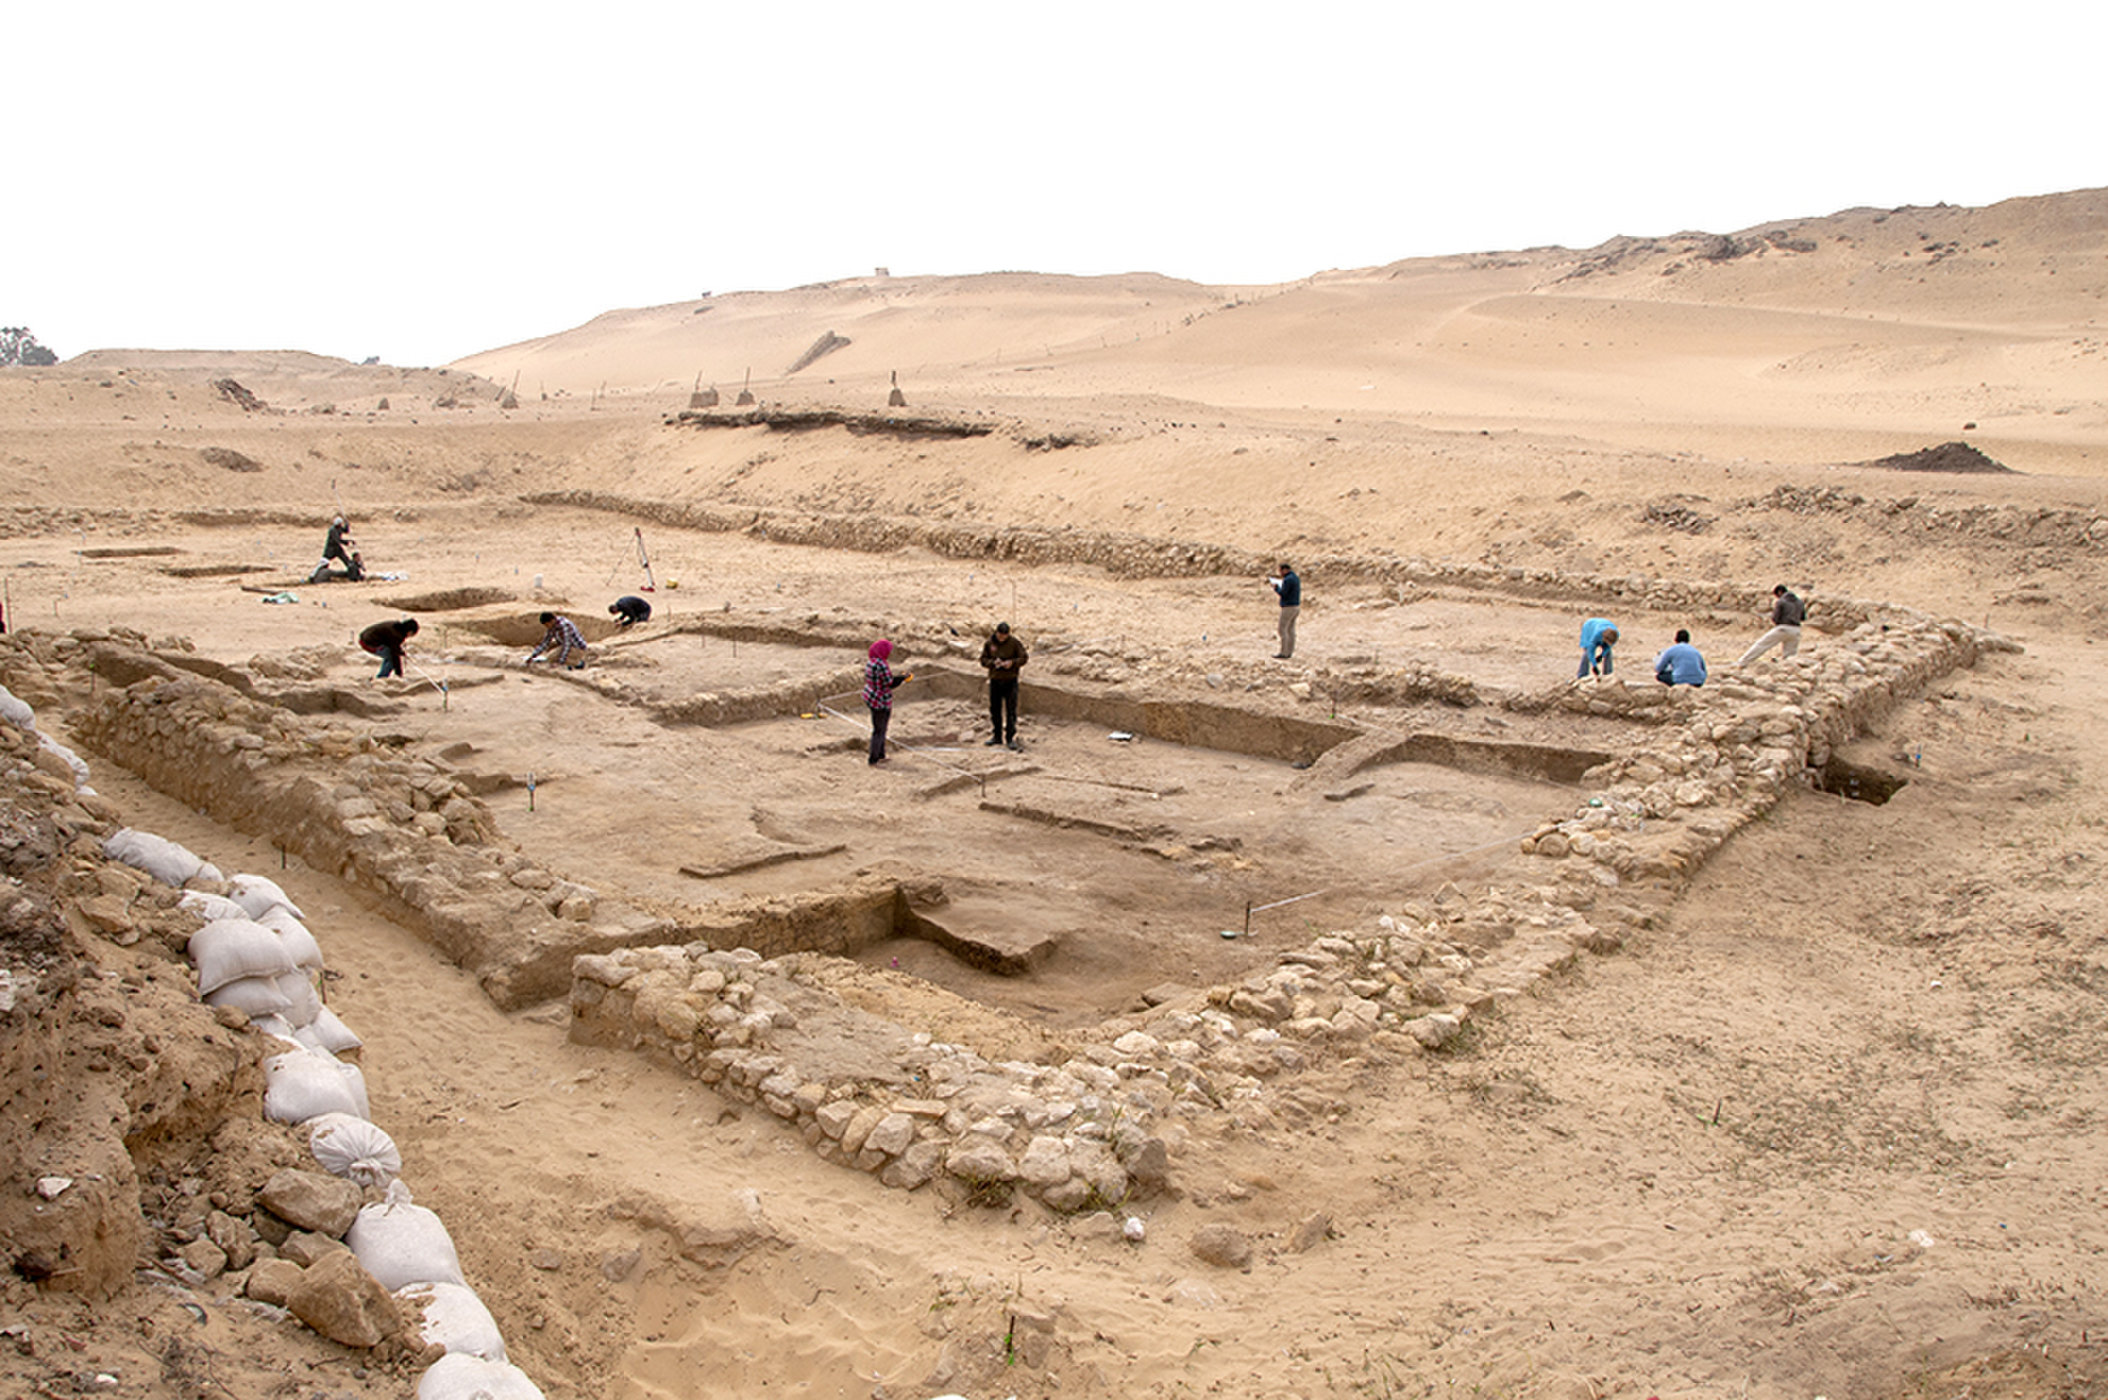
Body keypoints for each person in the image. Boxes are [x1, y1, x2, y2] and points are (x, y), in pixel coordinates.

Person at [979, 622, 1028, 750]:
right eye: (1000, 636)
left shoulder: (1014, 643)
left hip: (1010, 681)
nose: (1002, 639)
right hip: (995, 680)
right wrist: (993, 663)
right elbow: (983, 660)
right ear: (996, 633)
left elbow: (1023, 658)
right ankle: (997, 736)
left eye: (1004, 636)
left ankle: (1010, 738)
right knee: (995, 710)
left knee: (1011, 710)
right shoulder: (990, 643)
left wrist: (1012, 663)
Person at [863, 639, 911, 765]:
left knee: (879, 728)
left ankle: (880, 755)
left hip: (871, 697)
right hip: (880, 701)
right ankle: (873, 759)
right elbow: (889, 683)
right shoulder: (882, 665)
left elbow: (881, 681)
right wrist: (902, 679)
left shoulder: (871, 662)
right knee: (880, 730)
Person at [1738, 584, 1808, 665]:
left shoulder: (1781, 601)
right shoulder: (1800, 602)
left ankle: (1743, 662)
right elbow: (1803, 618)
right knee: (1790, 655)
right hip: (1796, 630)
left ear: (1779, 592)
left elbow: (1775, 618)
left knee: (1762, 644)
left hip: (1783, 627)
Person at [1268, 562, 1301, 658]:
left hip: (1288, 607)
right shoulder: (1295, 578)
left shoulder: (1288, 580)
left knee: (1282, 629)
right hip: (1296, 606)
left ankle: (1284, 652)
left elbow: (1283, 593)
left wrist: (1276, 588)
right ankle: (1289, 651)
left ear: (1285, 570)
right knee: (1290, 630)